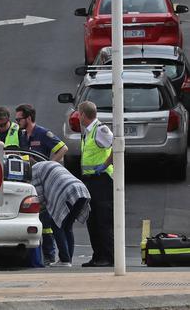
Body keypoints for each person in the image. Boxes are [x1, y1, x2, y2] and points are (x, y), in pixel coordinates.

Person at [15, 103, 68, 264]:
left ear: (29, 118)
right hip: (30, 181)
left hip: (44, 182)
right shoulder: (22, 135)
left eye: (19, 119)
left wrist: (49, 164)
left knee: (46, 219)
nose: (17, 122)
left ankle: (49, 254)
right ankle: (35, 255)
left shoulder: (43, 133)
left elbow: (63, 148)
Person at [32, 161, 91, 267]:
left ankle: (64, 260)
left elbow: (40, 197)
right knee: (68, 226)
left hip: (67, 192)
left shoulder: (34, 171)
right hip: (82, 190)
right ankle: (68, 260)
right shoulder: (49, 164)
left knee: (57, 225)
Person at [77, 100, 114, 267]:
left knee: (103, 220)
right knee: (92, 220)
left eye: (79, 114)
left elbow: (119, 147)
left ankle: (108, 257)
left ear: (84, 115)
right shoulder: (89, 131)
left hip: (102, 180)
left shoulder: (100, 130)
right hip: (90, 180)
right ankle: (97, 255)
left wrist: (104, 165)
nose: (78, 117)